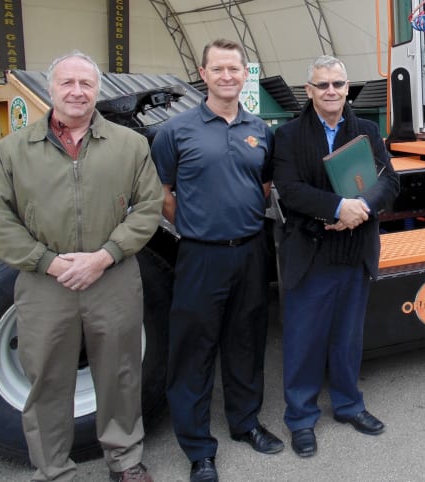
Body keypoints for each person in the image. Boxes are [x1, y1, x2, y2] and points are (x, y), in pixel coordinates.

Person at [0, 51, 163, 482]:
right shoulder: (12, 150)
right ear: (51, 88)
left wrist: (105, 256)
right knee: (47, 381)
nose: (77, 91)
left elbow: (149, 207)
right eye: (67, 83)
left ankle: (125, 460)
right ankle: (55, 470)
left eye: (86, 83)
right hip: (45, 284)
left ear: (97, 90)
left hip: (112, 278)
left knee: (120, 374)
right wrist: (49, 263)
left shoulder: (130, 145)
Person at [151, 39, 281, 482]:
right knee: (194, 350)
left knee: (246, 342)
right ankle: (198, 448)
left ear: (246, 74)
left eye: (235, 69)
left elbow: (263, 186)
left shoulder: (260, 130)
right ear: (202, 75)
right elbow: (161, 192)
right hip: (199, 255)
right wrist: (191, 223)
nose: (227, 76)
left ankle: (246, 424)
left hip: (249, 252)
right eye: (218, 69)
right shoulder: (175, 131)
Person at [273, 55, 400, 458]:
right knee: (304, 340)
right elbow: (289, 189)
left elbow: (389, 182)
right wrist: (336, 208)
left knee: (348, 338)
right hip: (311, 252)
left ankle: (348, 405)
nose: (331, 91)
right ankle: (301, 418)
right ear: (308, 91)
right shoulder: (289, 135)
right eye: (322, 85)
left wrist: (358, 207)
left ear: (348, 89)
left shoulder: (365, 130)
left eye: (338, 84)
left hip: (354, 250)